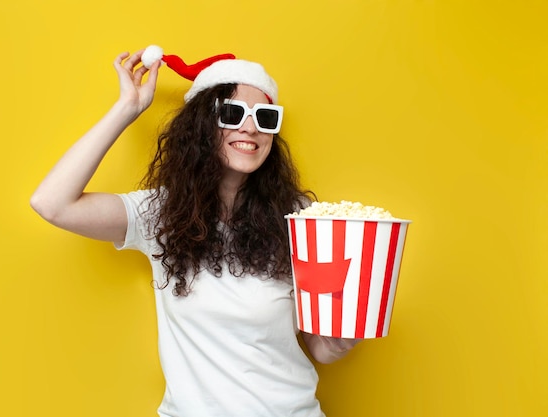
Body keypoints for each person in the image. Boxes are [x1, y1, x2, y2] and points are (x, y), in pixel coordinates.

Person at [30, 46, 361, 417]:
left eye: (265, 117)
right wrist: (127, 108)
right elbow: (52, 203)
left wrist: (343, 336)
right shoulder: (160, 214)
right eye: (233, 114)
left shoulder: (298, 219)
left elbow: (321, 348)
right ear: (202, 126)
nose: (250, 127)